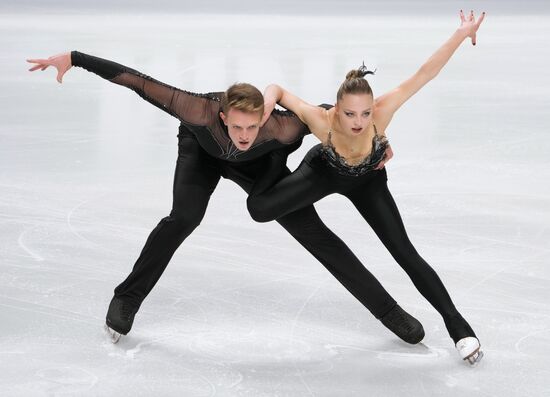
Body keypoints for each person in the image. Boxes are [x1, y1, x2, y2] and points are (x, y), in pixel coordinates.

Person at [26, 50, 425, 346]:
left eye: (254, 126)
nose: (245, 134)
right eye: (237, 126)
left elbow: (337, 115)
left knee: (313, 232)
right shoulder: (199, 112)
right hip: (202, 155)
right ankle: (126, 297)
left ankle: (388, 311)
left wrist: (379, 140)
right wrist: (74, 58)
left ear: (264, 119)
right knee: (183, 218)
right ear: (222, 118)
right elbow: (137, 81)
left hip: (259, 168)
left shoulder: (283, 129)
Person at [246, 10, 486, 365]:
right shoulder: (320, 118)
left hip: (368, 181)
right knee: (260, 209)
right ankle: (274, 162)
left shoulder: (383, 111)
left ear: (372, 108)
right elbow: (278, 90)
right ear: (337, 109)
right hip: (324, 171)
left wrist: (460, 33)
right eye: (350, 114)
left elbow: (425, 74)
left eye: (364, 113)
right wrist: (267, 105)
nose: (358, 122)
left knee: (405, 253)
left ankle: (459, 327)